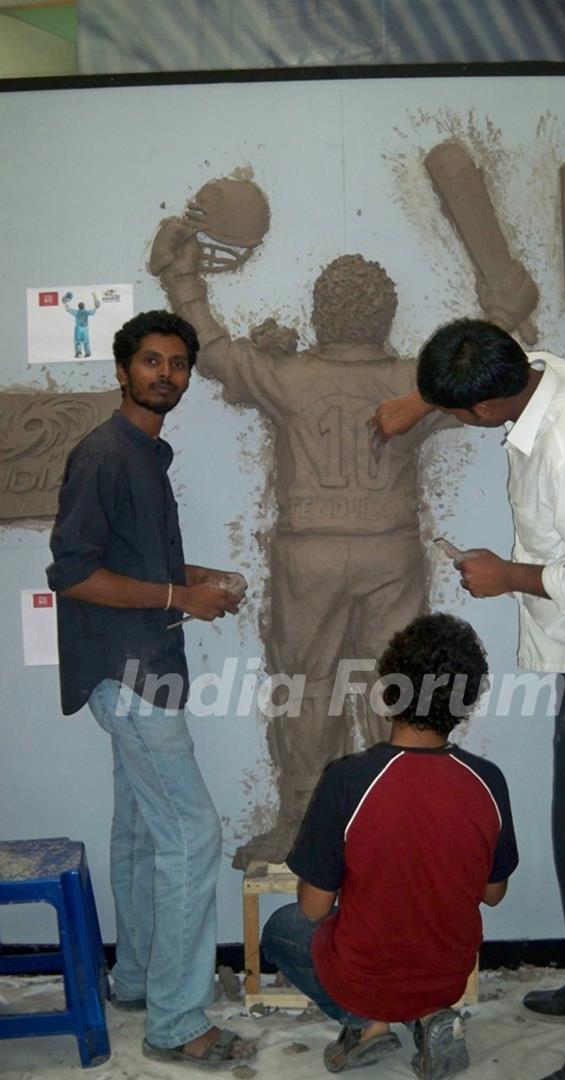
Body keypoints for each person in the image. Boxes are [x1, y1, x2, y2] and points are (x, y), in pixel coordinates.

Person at [372, 319, 565, 1080]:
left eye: (456, 412)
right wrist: (419, 401)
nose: (455, 421)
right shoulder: (543, 372)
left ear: (486, 407)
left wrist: (506, 577)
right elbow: (503, 339)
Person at [150, 201, 456, 866]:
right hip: (390, 551)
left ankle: (300, 823)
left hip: (309, 555)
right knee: (395, 685)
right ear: (386, 316)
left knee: (303, 687)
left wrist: (184, 282)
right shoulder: (414, 380)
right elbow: (492, 367)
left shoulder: (288, 375)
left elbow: (215, 352)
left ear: (322, 313)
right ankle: (393, 821)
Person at [46, 310, 256, 1069]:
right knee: (192, 837)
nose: (165, 373)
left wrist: (198, 579)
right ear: (122, 369)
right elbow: (72, 573)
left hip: (139, 675)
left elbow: (133, 561)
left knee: (140, 831)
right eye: (151, 361)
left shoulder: (146, 454)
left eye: (177, 364)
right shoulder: (105, 455)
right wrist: (178, 600)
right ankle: (177, 1023)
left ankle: (136, 981)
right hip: (128, 679)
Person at [261, 611, 518, 1078]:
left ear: (388, 693)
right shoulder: (488, 781)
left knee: (281, 929)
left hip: (368, 976)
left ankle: (368, 1026)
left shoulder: (348, 781)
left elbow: (315, 909)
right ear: (465, 704)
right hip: (447, 975)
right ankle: (430, 1016)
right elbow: (493, 894)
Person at [63, 292, 100, 357]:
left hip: (79, 328)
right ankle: (87, 353)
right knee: (86, 341)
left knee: (78, 341)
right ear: (83, 306)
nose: (81, 306)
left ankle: (79, 353)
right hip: (85, 328)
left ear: (79, 306)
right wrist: (95, 307)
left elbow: (68, 310)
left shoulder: (76, 312)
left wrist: (65, 303)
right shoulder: (86, 312)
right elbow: (93, 312)